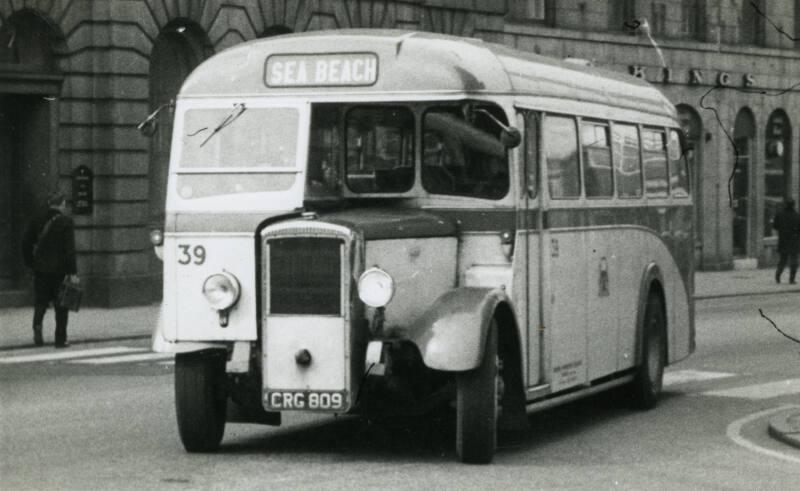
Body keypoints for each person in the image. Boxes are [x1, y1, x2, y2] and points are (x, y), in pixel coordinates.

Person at [22, 191, 79, 347]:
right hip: (60, 271)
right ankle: (60, 339)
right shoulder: (66, 222)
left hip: (40, 269)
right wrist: (73, 272)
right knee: (62, 306)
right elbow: (70, 250)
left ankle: (37, 326)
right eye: (65, 204)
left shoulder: (37, 219)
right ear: (62, 204)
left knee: (40, 302)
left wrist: (31, 263)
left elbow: (26, 243)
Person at [772, 198, 800, 284]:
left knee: (783, 260)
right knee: (794, 260)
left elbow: (775, 226)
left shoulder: (779, 214)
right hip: (794, 240)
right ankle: (791, 279)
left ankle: (778, 276)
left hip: (783, 240)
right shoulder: (797, 215)